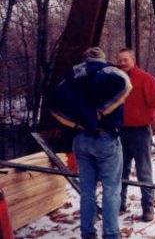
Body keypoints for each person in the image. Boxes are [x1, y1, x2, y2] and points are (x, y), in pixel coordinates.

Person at [48, 47, 132, 239]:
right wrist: (103, 111)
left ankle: (88, 233)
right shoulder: (109, 72)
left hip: (80, 139)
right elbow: (126, 84)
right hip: (105, 138)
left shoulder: (72, 77)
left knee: (87, 191)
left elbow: (52, 104)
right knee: (111, 190)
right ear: (102, 59)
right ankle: (111, 235)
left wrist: (75, 122)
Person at [118, 47, 155, 222]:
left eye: (125, 60)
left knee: (143, 172)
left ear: (133, 60)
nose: (122, 63)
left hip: (140, 132)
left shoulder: (145, 79)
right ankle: (119, 204)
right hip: (121, 132)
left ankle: (148, 207)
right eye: (120, 60)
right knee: (120, 171)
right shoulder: (116, 79)